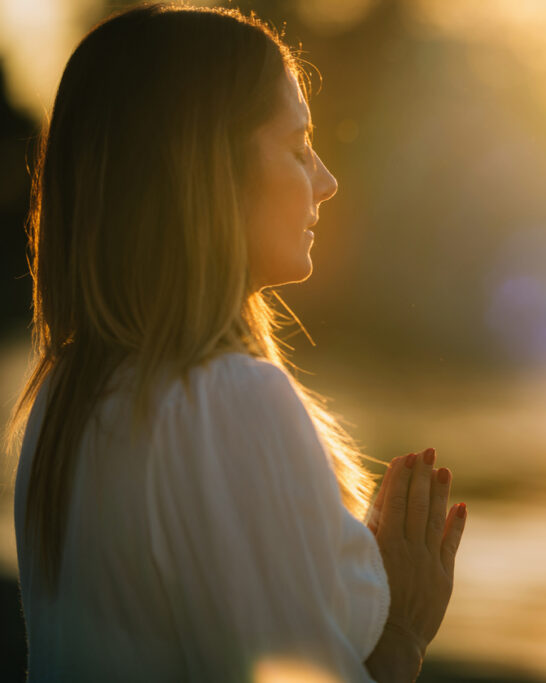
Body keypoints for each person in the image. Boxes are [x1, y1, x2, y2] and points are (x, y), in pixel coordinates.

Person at [0, 3, 466, 681]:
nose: (326, 181)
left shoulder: (61, 401)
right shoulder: (232, 399)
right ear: (208, 167)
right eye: (299, 145)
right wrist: (403, 630)